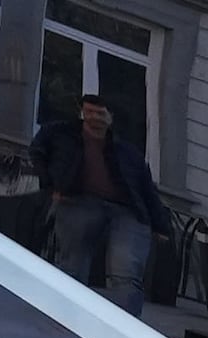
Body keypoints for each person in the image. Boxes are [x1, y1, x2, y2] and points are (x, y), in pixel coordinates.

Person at [31, 90, 167, 306]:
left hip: (125, 210)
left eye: (99, 114)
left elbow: (145, 187)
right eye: (89, 113)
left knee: (126, 271)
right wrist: (50, 186)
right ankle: (69, 316)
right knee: (72, 266)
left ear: (110, 118)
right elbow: (37, 152)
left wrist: (160, 225)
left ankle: (123, 326)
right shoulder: (61, 134)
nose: (94, 118)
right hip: (78, 201)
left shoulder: (126, 151)